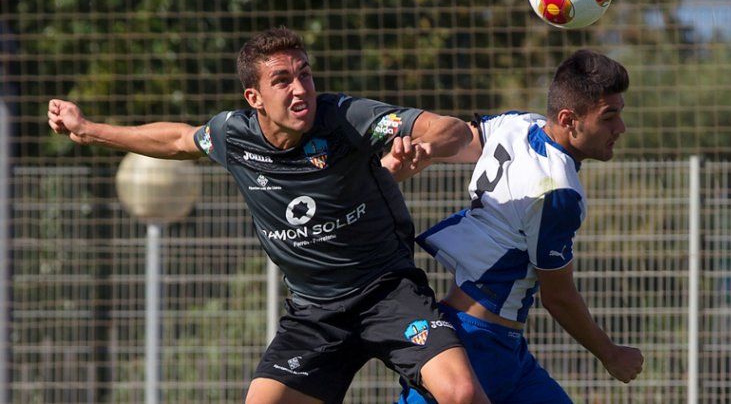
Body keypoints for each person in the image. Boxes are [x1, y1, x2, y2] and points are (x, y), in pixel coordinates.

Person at [47, 27, 490, 404]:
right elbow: (179, 140)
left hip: (389, 294)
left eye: (305, 75)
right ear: (254, 97)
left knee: (461, 394)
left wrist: (427, 146)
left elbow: (445, 126)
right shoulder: (233, 136)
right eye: (283, 80)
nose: (300, 89)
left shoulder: (346, 118)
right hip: (315, 315)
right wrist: (88, 131)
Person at [388, 50, 645, 403]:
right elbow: (559, 297)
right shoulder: (557, 191)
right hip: (475, 348)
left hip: (504, 349)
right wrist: (610, 354)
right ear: (570, 119)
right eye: (609, 117)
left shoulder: (519, 124)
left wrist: (427, 148)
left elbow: (464, 138)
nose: (620, 128)